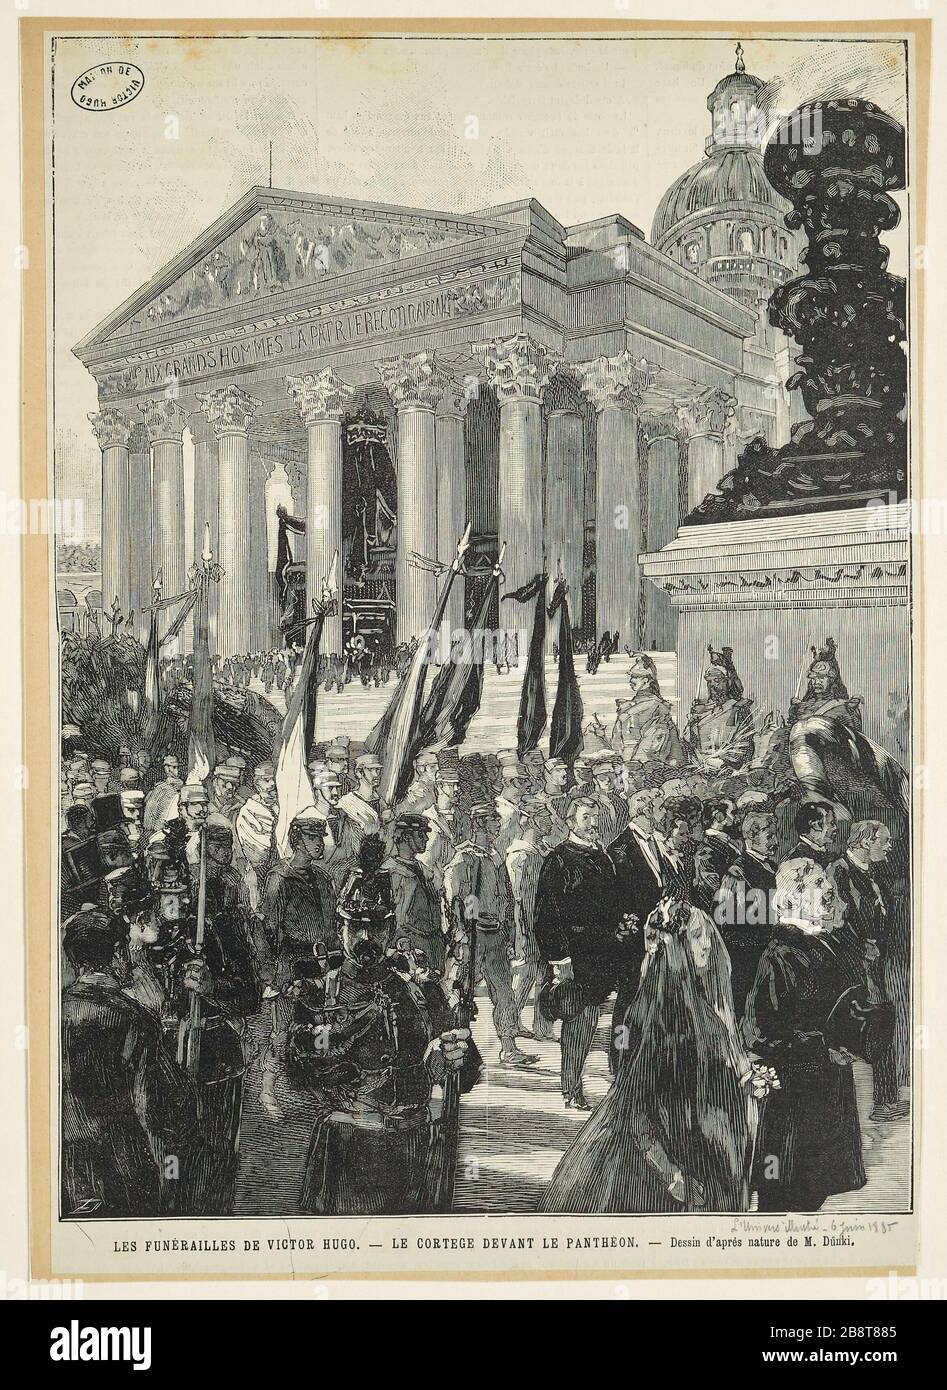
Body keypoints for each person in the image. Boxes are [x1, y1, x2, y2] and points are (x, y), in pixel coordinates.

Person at [540, 898, 758, 1214]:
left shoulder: (700, 1007)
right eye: (698, 937)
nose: (708, 944)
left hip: (707, 1145)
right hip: (666, 1155)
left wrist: (748, 1083)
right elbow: (634, 1106)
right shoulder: (649, 1016)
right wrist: (669, 1174)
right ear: (676, 947)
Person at [292, 890, 478, 1215]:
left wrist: (455, 1055)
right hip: (349, 1148)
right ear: (340, 930)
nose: (367, 937)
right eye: (356, 927)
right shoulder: (320, 994)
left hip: (413, 1148)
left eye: (377, 928)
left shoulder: (420, 991)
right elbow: (309, 1069)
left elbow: (464, 1074)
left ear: (390, 930)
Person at [123, 835, 259, 1215]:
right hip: (160, 1060)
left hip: (214, 1057)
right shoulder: (142, 932)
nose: (175, 903)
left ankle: (212, 1215)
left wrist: (212, 987)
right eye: (165, 893)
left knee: (214, 1152)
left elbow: (250, 994)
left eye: (181, 891)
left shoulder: (219, 928)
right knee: (167, 1151)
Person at [744, 857, 867, 1212]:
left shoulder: (823, 942)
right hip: (796, 1095)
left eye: (830, 895)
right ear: (793, 900)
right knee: (785, 1194)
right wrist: (823, 1046)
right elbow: (757, 1032)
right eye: (823, 895)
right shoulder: (779, 953)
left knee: (814, 1191)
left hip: (824, 1085)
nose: (832, 901)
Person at [61, 908, 197, 1218]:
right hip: (124, 1171)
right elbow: (155, 1105)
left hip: (68, 1170)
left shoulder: (56, 1011)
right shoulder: (135, 1019)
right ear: (120, 952)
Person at [534, 797, 620, 1109]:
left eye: (596, 818)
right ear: (571, 822)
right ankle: (571, 1089)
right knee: (578, 1024)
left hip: (601, 955)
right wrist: (560, 961)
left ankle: (575, 1086)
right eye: (586, 818)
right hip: (575, 957)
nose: (594, 824)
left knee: (592, 1020)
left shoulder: (603, 856)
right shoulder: (558, 859)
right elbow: (545, 916)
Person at [443, 802, 538, 1070]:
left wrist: (509, 933)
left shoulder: (495, 855)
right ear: (481, 824)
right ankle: (455, 1051)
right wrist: (464, 927)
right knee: (461, 993)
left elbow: (507, 896)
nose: (498, 825)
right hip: (473, 938)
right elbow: (455, 896)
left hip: (495, 936)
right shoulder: (465, 857)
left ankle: (508, 1048)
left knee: (505, 993)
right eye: (494, 821)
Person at [259, 810, 339, 1117]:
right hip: (290, 965)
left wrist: (333, 965)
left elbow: (330, 928)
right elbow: (267, 930)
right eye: (311, 837)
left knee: (321, 1027)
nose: (318, 843)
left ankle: (318, 1086)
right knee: (282, 1033)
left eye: (320, 837)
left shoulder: (323, 878)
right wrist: (276, 976)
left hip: (321, 965)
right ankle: (268, 1090)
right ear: (296, 840)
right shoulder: (279, 879)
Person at [832, 820, 908, 1122]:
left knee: (883, 1021)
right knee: (866, 1025)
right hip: (852, 964)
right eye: (884, 841)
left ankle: (885, 1101)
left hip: (874, 962)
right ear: (866, 842)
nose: (889, 847)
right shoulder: (839, 870)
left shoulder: (871, 870)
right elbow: (837, 919)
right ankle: (876, 1103)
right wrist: (861, 945)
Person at [607, 787, 668, 1073]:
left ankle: (643, 1063)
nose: (664, 813)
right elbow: (624, 897)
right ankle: (620, 1064)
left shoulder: (655, 841)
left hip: (655, 936)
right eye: (659, 808)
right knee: (628, 1005)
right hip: (633, 941)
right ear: (645, 811)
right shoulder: (620, 848)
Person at [713, 810, 779, 1020]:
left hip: (768, 954)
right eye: (769, 836)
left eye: (775, 835)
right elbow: (726, 925)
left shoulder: (772, 867)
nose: (775, 842)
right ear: (751, 837)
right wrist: (762, 943)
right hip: (747, 959)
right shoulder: (737, 872)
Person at [506, 795, 554, 1042]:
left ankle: (543, 1028)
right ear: (530, 821)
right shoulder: (520, 856)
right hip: (527, 926)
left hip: (544, 925)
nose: (549, 821)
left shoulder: (541, 852)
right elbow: (517, 898)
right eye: (544, 817)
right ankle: (510, 1027)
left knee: (545, 976)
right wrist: (521, 933)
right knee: (523, 976)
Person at [383, 815, 445, 974]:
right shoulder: (390, 871)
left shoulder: (424, 870)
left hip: (433, 946)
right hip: (409, 948)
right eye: (420, 834)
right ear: (405, 836)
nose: (426, 838)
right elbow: (395, 919)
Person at [685, 645, 755, 772]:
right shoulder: (703, 710)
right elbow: (690, 746)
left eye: (717, 680)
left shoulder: (739, 709)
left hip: (730, 772)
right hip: (701, 770)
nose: (712, 686)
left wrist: (722, 765)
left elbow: (744, 747)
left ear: (728, 682)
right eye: (709, 682)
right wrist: (692, 723)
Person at [611, 654, 686, 766]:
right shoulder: (633, 704)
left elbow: (655, 743)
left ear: (646, 680)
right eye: (631, 676)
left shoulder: (656, 705)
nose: (631, 680)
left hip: (651, 763)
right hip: (630, 760)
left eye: (636, 677)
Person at [789, 637, 862, 730]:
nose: (816, 682)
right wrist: (795, 709)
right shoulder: (803, 706)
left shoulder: (843, 708)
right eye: (813, 677)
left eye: (821, 677)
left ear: (832, 679)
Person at [692, 796, 742, 912]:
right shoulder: (708, 844)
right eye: (733, 812)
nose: (737, 817)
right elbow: (711, 883)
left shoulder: (726, 840)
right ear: (719, 816)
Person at [235, 760, 279, 889]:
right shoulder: (248, 812)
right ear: (257, 784)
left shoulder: (282, 809)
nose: (272, 784)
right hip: (260, 874)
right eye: (267, 780)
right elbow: (257, 854)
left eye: (275, 780)